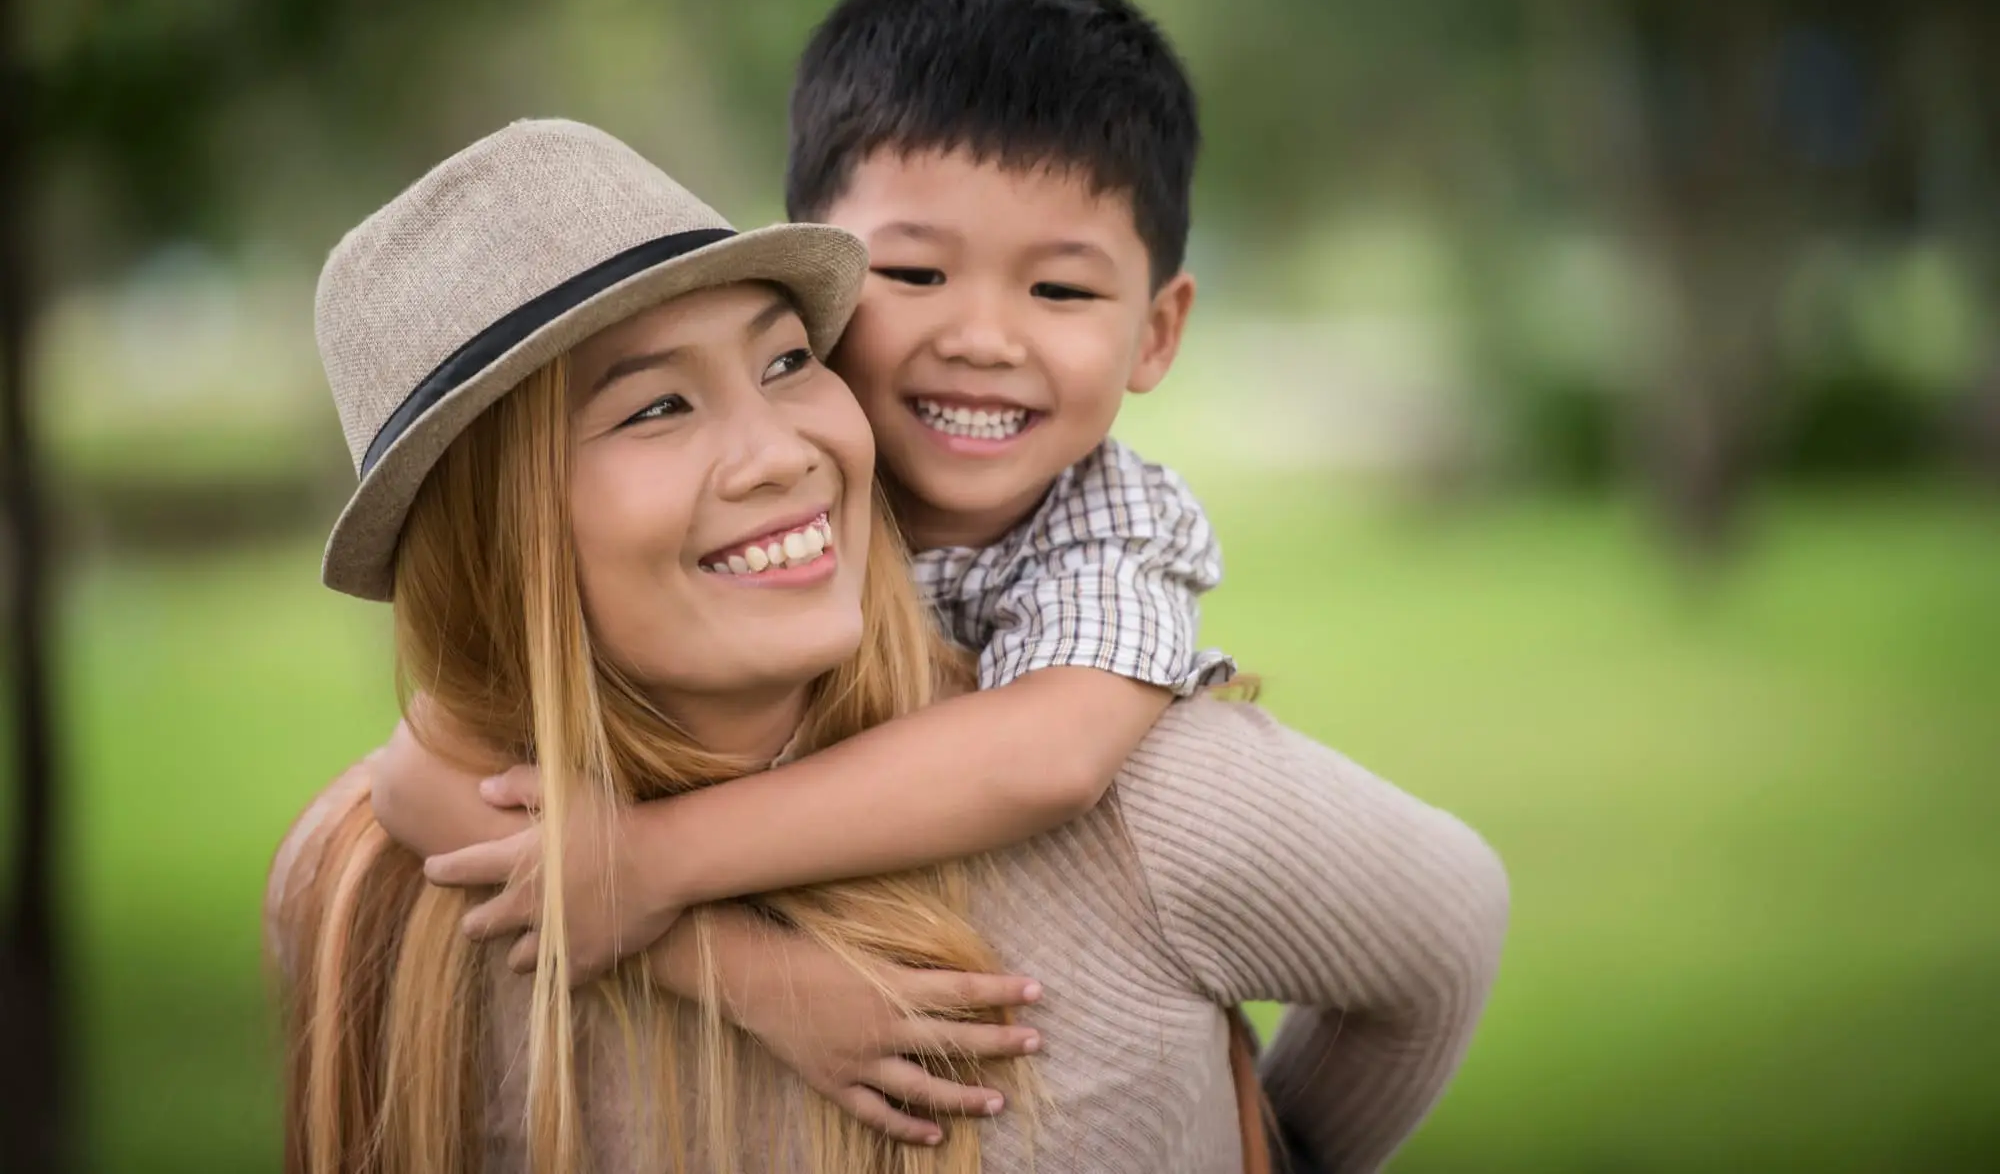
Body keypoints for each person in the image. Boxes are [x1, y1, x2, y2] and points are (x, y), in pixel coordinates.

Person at [270, 119, 1507, 1172]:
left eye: (787, 361)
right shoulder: (368, 893)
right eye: (655, 406)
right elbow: (410, 777)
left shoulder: (1152, 805)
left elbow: (1444, 936)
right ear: (491, 542)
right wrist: (729, 963)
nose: (784, 450)